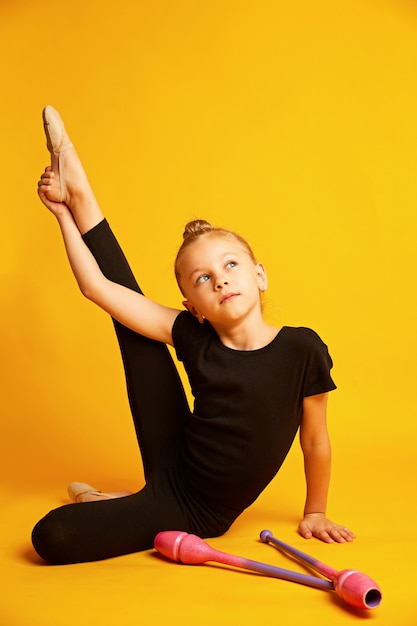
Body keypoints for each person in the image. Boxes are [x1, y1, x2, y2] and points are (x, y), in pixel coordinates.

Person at [32, 106, 355, 565]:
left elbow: (316, 440)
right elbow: (98, 289)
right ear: (192, 306)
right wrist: (62, 215)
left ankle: (112, 504)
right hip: (174, 454)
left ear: (259, 275)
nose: (219, 280)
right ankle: (80, 195)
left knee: (51, 536)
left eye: (229, 266)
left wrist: (316, 511)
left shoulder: (303, 350)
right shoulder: (192, 334)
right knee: (131, 322)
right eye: (201, 279)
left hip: (193, 510)